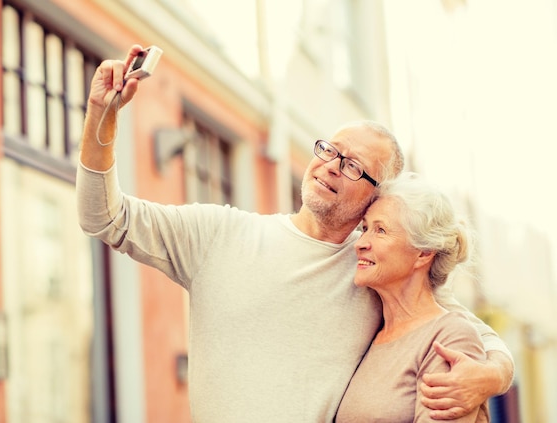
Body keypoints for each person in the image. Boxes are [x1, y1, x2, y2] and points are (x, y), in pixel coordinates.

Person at [76, 45, 513, 422]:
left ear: (376, 198)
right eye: (329, 150)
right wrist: (102, 116)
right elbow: (103, 217)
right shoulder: (219, 233)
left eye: (354, 166)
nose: (330, 166)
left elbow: (469, 334)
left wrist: (491, 375)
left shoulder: (373, 269)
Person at [335, 172, 490, 422]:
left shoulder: (450, 337)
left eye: (380, 230)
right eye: (365, 228)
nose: (360, 242)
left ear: (423, 253)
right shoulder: (372, 333)